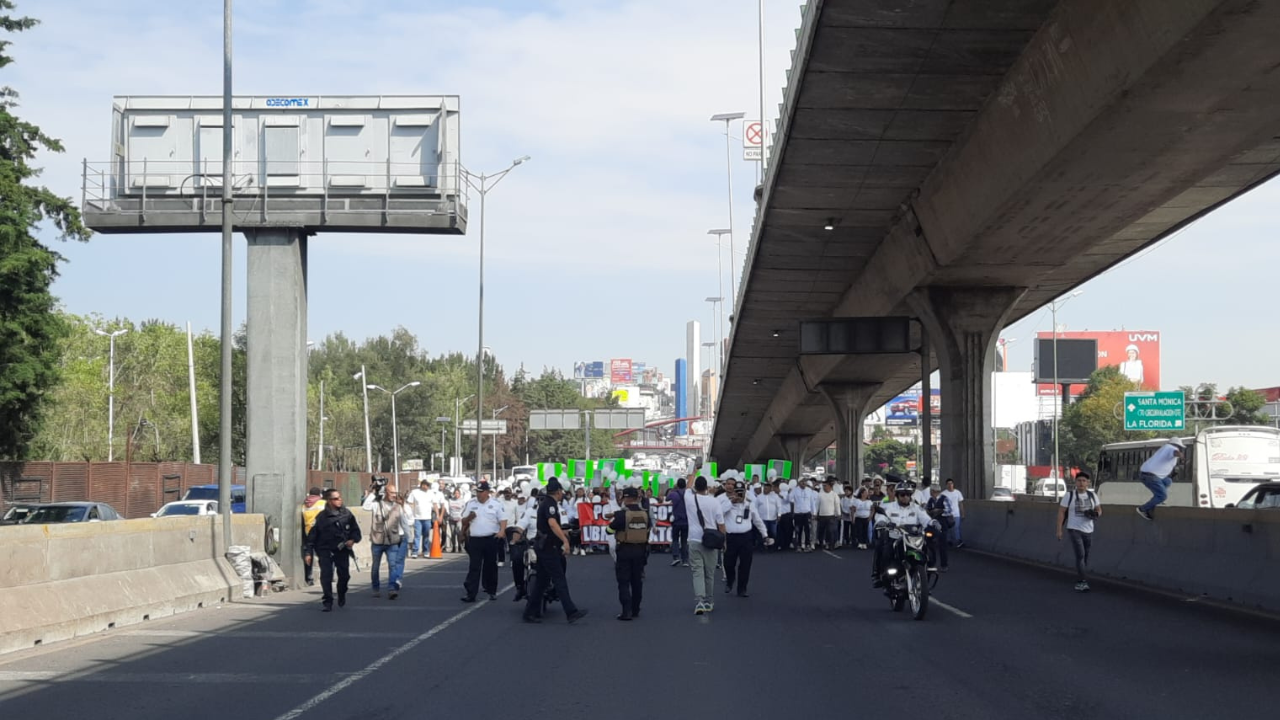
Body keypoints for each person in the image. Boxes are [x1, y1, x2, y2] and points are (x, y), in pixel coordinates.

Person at [523, 478, 588, 624]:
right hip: (548, 547)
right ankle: (571, 612)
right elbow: (552, 524)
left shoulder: (546, 503)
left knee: (541, 582)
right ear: (558, 491)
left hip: (544, 546)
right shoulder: (550, 505)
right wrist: (565, 541)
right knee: (559, 579)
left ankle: (529, 612)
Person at [871, 482, 935, 587]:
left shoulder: (916, 507)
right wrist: (882, 522)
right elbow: (882, 517)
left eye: (908, 494)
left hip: (914, 538)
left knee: (930, 552)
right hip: (895, 538)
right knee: (883, 550)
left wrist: (933, 522)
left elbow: (925, 518)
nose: (905, 497)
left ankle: (926, 576)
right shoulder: (890, 507)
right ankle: (877, 574)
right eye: (902, 495)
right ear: (897, 495)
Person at [308, 489, 362, 611]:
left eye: (340, 497)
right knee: (326, 576)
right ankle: (328, 600)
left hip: (342, 550)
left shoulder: (347, 514)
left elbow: (356, 531)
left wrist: (352, 540)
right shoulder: (321, 517)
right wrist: (308, 552)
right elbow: (312, 536)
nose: (339, 500)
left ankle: (341, 593)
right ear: (329, 501)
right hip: (325, 550)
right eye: (336, 498)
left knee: (344, 576)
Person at [684, 475, 726, 615]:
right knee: (710, 573)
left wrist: (695, 470)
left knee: (697, 572)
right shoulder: (714, 502)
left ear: (695, 487)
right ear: (707, 487)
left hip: (694, 539)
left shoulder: (689, 499)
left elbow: (687, 486)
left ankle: (700, 601)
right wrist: (724, 541)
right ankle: (709, 600)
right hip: (711, 540)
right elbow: (721, 524)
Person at [607, 487, 650, 621]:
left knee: (624, 581)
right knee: (637, 581)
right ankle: (636, 609)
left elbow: (609, 530)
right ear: (637, 498)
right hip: (641, 550)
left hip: (625, 550)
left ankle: (626, 611)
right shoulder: (645, 514)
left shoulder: (621, 514)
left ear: (625, 499)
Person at [460, 481, 507, 603]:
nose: (479, 494)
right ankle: (471, 593)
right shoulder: (470, 504)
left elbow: (503, 519)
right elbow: (463, 521)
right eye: (477, 492)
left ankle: (491, 590)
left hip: (491, 538)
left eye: (481, 492)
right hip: (475, 539)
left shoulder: (496, 504)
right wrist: (469, 518)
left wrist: (502, 531)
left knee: (490, 565)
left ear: (487, 492)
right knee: (474, 566)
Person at [722, 480, 771, 598]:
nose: (739, 495)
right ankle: (730, 580)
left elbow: (757, 520)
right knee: (728, 563)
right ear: (733, 492)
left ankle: (742, 589)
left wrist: (765, 534)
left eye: (741, 492)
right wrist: (731, 502)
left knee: (745, 564)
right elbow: (718, 513)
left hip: (746, 537)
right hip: (731, 537)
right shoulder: (726, 503)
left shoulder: (749, 504)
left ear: (745, 493)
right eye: (737, 492)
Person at [1057, 471, 1101, 592]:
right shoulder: (1069, 496)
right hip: (1074, 529)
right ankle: (1082, 581)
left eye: (1084, 481)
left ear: (1088, 483)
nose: (1081, 483)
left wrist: (1095, 514)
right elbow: (1061, 512)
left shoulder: (1092, 496)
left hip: (1088, 529)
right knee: (1080, 554)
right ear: (1075, 482)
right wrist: (1059, 529)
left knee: (1085, 556)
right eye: (1079, 481)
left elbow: (1099, 509)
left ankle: (1081, 576)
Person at [362, 483, 404, 599]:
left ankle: (391, 589)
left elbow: (402, 522)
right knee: (375, 566)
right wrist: (374, 492)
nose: (394, 495)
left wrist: (402, 536)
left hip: (392, 542)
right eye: (391, 493)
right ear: (385, 493)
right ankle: (375, 588)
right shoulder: (377, 505)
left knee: (393, 565)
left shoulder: (398, 506)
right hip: (378, 541)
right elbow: (365, 506)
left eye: (395, 493)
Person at [1138, 438, 1183, 521]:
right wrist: (1179, 454)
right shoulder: (1171, 448)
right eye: (1180, 447)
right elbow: (1174, 452)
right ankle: (1142, 509)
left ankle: (1158, 499)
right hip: (1151, 476)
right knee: (1162, 496)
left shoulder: (1164, 448)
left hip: (1149, 475)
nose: (1180, 449)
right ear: (1177, 445)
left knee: (1167, 481)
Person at [301, 487, 326, 586]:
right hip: (321, 533)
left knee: (309, 555)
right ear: (319, 494)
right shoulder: (322, 503)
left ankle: (309, 577)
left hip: (308, 533)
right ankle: (326, 575)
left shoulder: (304, 505)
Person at [924, 486, 952, 572]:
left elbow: (949, 510)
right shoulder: (931, 500)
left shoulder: (944, 499)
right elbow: (927, 509)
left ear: (934, 491)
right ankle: (932, 564)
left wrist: (939, 511)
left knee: (942, 545)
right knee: (930, 543)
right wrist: (929, 512)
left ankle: (944, 565)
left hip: (942, 523)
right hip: (932, 523)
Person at [406, 480, 436, 559]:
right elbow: (410, 502)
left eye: (427, 486)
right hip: (417, 518)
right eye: (424, 485)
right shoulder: (415, 492)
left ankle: (425, 551)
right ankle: (415, 551)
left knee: (426, 535)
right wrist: (412, 513)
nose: (426, 487)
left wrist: (438, 515)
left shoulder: (431, 493)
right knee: (417, 535)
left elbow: (435, 504)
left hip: (427, 518)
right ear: (422, 485)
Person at [666, 478, 690, 567]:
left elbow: (667, 498)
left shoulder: (673, 494)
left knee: (675, 539)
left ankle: (676, 557)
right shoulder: (688, 494)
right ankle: (685, 560)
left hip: (676, 520)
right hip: (686, 520)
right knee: (684, 541)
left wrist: (673, 489)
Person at [788, 478, 815, 552]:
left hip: (807, 513)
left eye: (805, 481)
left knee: (807, 530)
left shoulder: (809, 490)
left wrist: (814, 513)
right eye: (802, 481)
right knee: (798, 530)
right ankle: (799, 545)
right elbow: (790, 499)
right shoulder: (795, 490)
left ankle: (807, 545)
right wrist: (790, 492)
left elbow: (812, 502)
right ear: (799, 482)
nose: (804, 483)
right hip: (798, 514)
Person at [816, 477, 842, 550]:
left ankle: (831, 545)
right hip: (822, 516)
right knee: (821, 531)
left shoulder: (834, 495)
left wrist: (839, 514)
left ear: (830, 486)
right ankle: (821, 543)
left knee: (830, 531)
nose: (824, 487)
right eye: (823, 486)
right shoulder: (820, 494)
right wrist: (815, 513)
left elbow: (837, 505)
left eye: (826, 486)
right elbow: (817, 504)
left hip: (831, 516)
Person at [755, 481, 782, 550]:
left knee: (774, 533)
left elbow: (779, 506)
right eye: (764, 488)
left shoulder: (775, 496)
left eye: (767, 489)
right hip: (763, 518)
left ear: (770, 489)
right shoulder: (759, 497)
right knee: (764, 533)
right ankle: (763, 546)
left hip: (773, 518)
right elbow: (756, 507)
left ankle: (773, 546)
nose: (765, 490)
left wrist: (779, 515)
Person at [941, 479, 965, 547]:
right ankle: (949, 541)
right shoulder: (943, 493)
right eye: (948, 484)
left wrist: (962, 513)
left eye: (951, 483)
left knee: (956, 527)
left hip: (956, 514)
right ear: (946, 485)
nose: (950, 485)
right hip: (947, 515)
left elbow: (961, 503)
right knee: (948, 529)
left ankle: (958, 541)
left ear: (953, 484)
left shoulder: (957, 492)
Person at [446, 488, 466, 553]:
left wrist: (462, 517)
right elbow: (448, 508)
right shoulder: (450, 500)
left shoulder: (462, 501)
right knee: (453, 534)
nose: (456, 494)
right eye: (455, 493)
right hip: (452, 519)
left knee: (459, 533)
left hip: (459, 519)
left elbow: (465, 510)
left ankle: (460, 546)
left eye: (458, 493)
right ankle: (454, 547)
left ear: (460, 494)